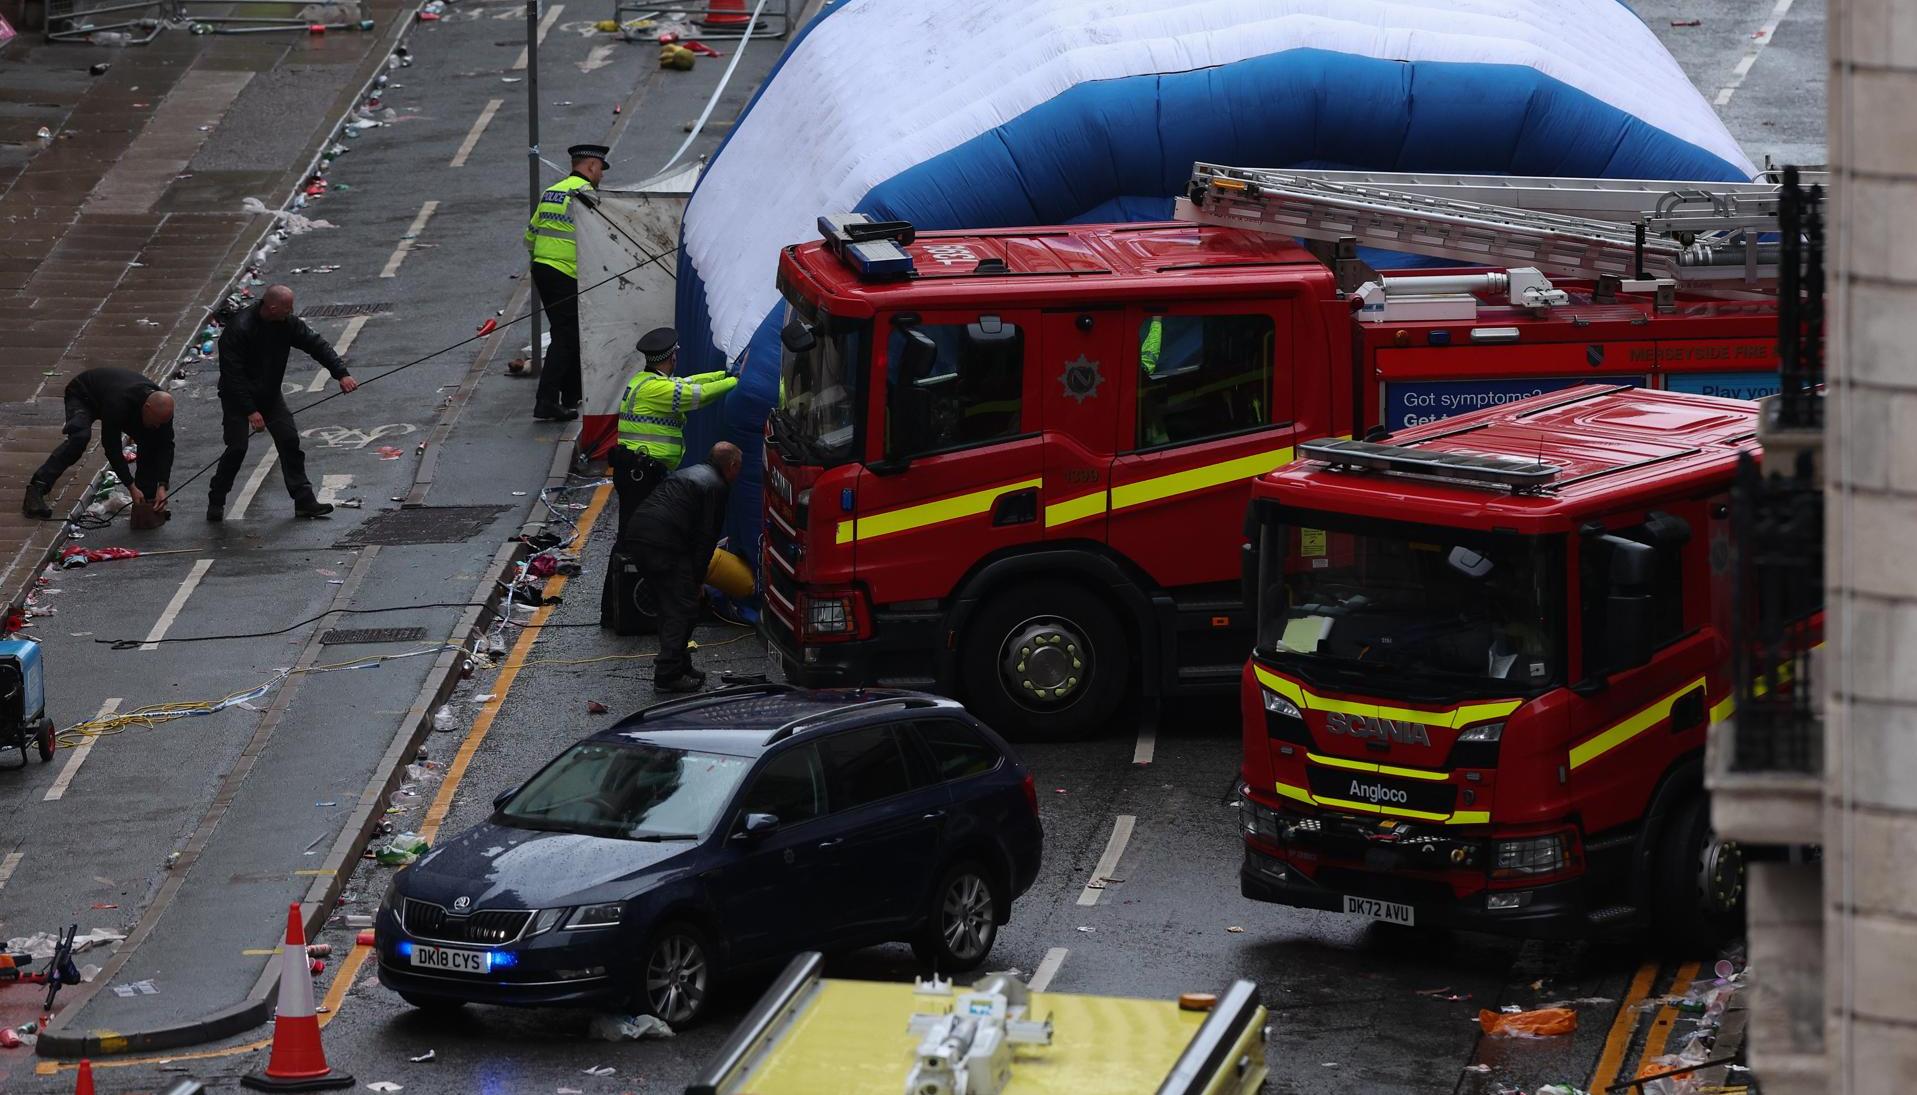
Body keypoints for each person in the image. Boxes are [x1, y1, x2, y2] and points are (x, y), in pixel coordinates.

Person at [600, 327, 739, 625]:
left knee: (634, 537)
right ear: (671, 357)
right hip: (642, 475)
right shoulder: (655, 389)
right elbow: (695, 395)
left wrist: (725, 374)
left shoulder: (646, 381)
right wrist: (735, 381)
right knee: (635, 539)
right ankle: (621, 611)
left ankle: (617, 610)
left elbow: (690, 382)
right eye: (675, 354)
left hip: (641, 471)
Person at [208, 284, 357, 521]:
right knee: (237, 448)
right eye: (288, 307)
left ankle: (304, 500)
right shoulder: (239, 329)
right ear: (273, 307)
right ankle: (216, 499)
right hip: (237, 398)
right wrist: (250, 411)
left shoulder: (286, 323)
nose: (292, 311)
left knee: (289, 440)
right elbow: (232, 375)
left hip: (269, 395)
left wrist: (341, 373)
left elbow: (315, 344)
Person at [625, 441, 743, 693]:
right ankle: (667, 675)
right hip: (663, 543)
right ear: (732, 466)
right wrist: (697, 580)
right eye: (739, 468)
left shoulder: (692, 472)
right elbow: (705, 540)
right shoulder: (717, 487)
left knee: (671, 604)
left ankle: (680, 664)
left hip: (638, 534)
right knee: (683, 607)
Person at [23, 367, 175, 521]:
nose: (158, 426)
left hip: (113, 396)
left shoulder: (162, 410)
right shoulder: (119, 402)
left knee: (151, 438)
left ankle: (146, 500)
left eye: (161, 423)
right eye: (156, 422)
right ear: (147, 408)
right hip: (83, 394)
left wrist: (162, 485)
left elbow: (166, 446)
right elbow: (111, 447)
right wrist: (130, 486)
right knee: (79, 437)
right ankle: (37, 488)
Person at [526, 143, 609, 422]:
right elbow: (599, 238)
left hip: (543, 268)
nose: (601, 177)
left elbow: (530, 235)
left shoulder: (552, 192)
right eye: (600, 171)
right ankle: (546, 401)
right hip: (566, 273)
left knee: (571, 332)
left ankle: (571, 393)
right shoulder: (584, 195)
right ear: (591, 167)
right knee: (566, 336)